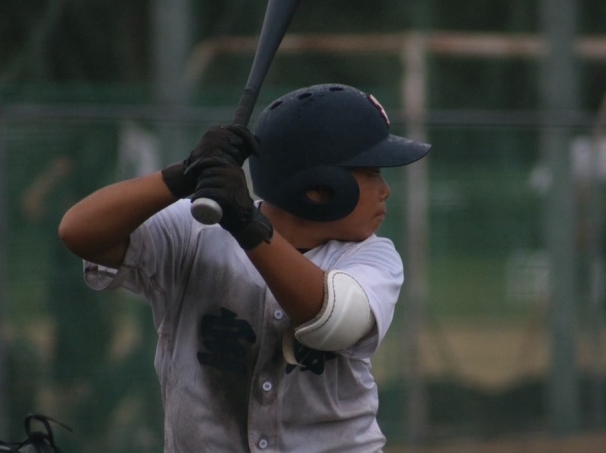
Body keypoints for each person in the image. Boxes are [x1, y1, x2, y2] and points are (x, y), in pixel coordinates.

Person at [58, 83, 431, 452]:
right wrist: (183, 174)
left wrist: (246, 225)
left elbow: (338, 321)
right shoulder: (194, 230)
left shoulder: (373, 256)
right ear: (319, 187)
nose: (385, 190)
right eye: (372, 173)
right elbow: (78, 233)